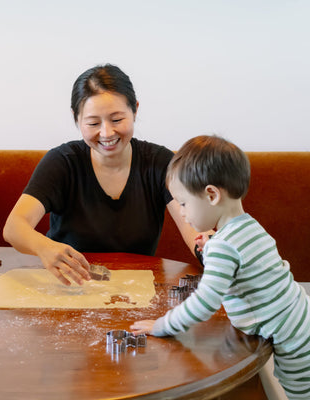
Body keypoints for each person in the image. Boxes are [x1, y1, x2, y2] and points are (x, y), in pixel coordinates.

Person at [130, 135, 310, 399]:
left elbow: (205, 302)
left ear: (211, 195)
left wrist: (162, 326)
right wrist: (214, 241)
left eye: (183, 203)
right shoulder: (248, 226)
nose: (181, 212)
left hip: (295, 343)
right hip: (301, 320)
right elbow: (242, 257)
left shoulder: (225, 247)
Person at [2, 64, 200, 286]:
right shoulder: (63, 162)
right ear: (76, 118)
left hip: (136, 287)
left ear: (135, 110)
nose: (106, 133)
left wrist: (215, 255)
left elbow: (194, 227)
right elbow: (13, 228)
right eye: (93, 123)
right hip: (69, 285)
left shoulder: (160, 162)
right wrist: (45, 248)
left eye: (117, 120)